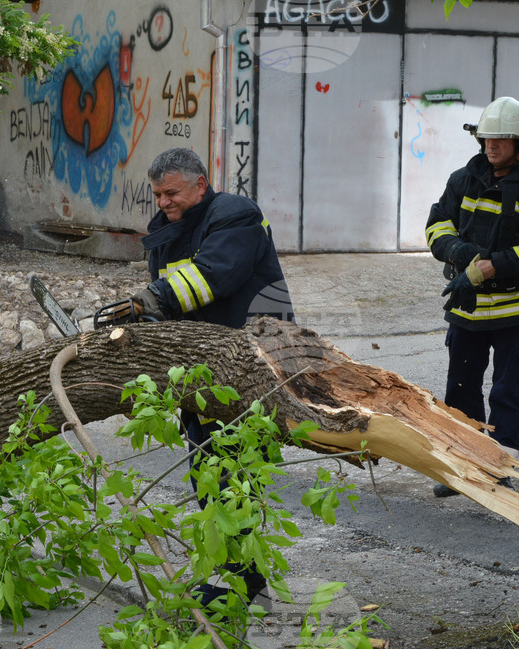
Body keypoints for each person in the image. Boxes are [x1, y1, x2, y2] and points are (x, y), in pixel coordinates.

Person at [126, 147, 294, 608]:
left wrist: (150, 299)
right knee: (208, 473)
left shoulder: (235, 215)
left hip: (251, 364)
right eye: (158, 194)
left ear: (201, 184)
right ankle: (238, 577)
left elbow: (211, 277)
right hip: (207, 367)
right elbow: (176, 305)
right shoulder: (171, 229)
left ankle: (243, 585)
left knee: (230, 476)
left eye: (172, 192)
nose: (163, 201)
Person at [425, 97, 519, 496]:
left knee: (507, 390)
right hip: (468, 307)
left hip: (516, 309)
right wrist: (454, 250)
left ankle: (501, 466)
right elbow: (437, 225)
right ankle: (469, 465)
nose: (491, 146)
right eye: (487, 138)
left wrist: (494, 266)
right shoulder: (463, 179)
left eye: (500, 140)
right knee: (461, 386)